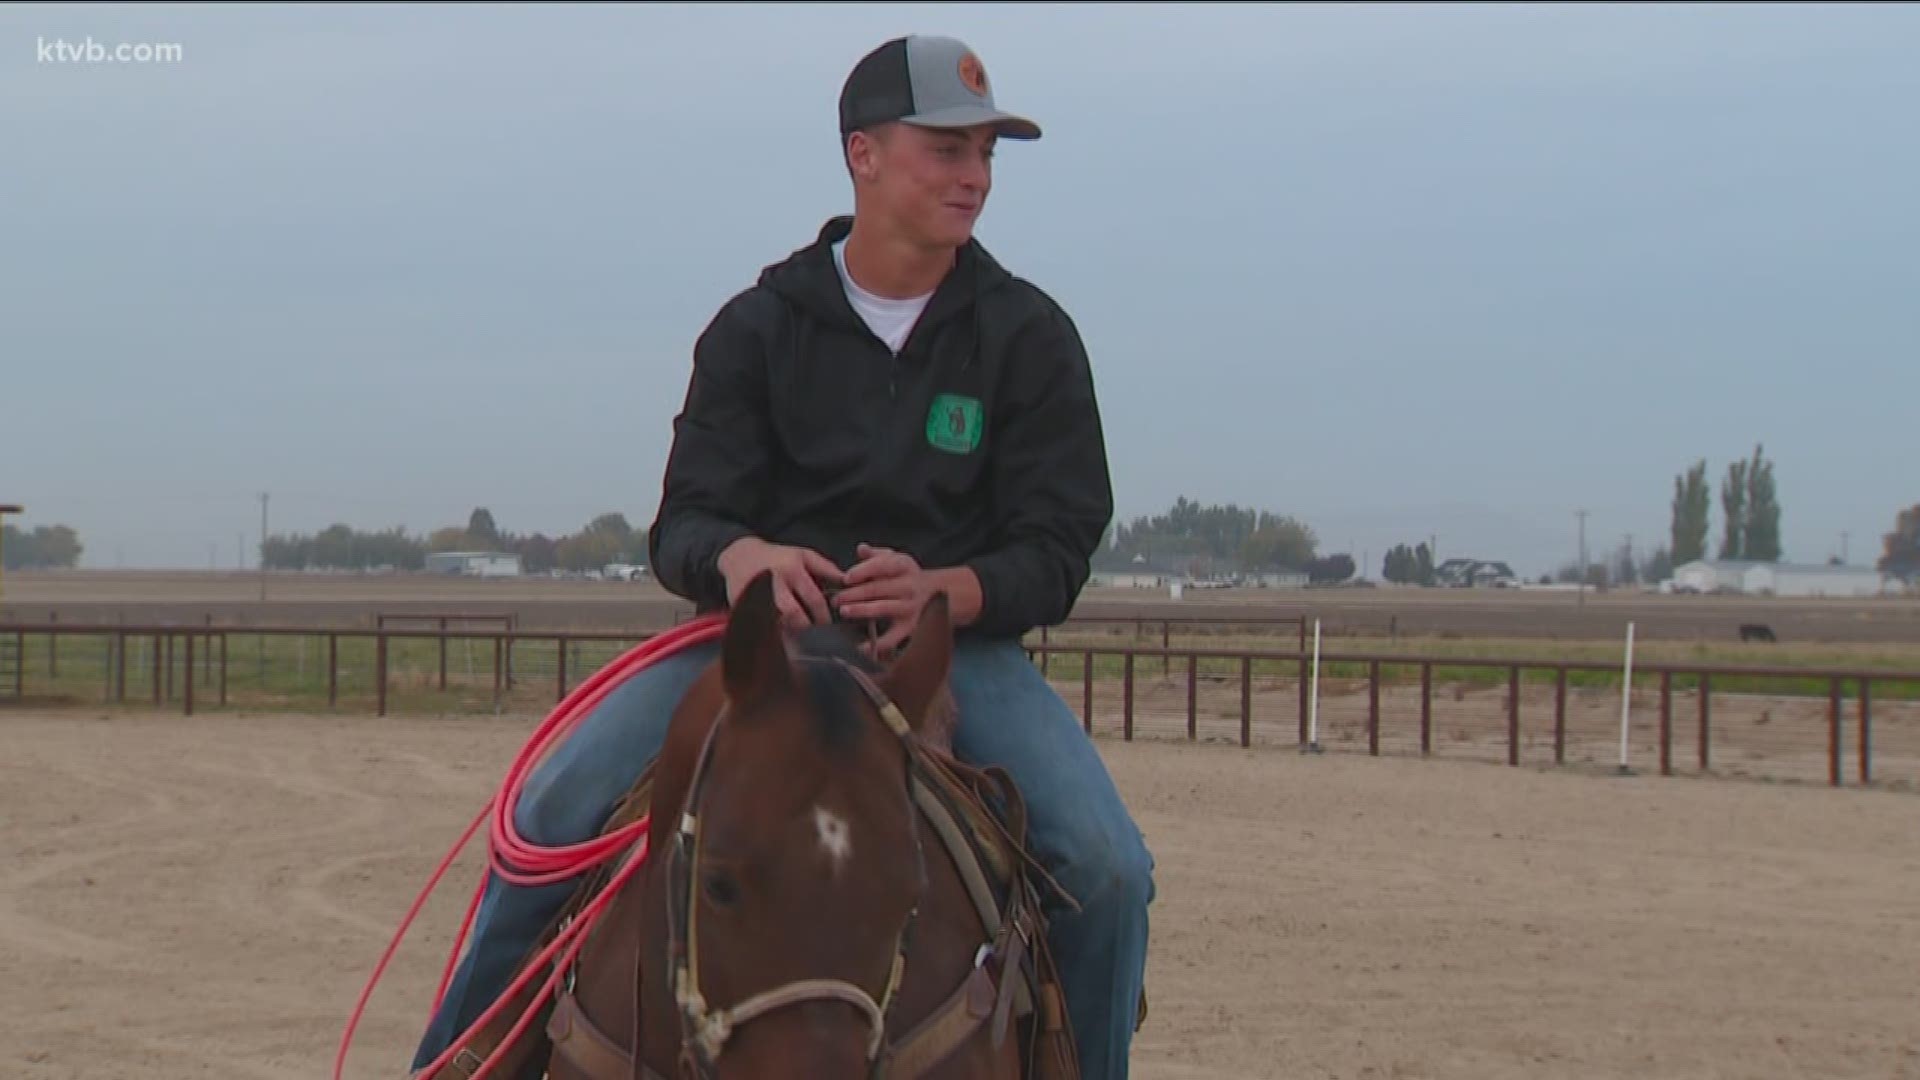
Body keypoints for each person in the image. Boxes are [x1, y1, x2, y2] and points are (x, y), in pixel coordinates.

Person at [411, 33, 1153, 1080]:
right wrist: (747, 557)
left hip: (950, 655)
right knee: (548, 816)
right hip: (756, 651)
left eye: (986, 152)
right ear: (864, 155)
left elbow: (1059, 540)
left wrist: (955, 586)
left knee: (1109, 866)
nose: (975, 175)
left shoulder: (1027, 338)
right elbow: (685, 526)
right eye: (946, 148)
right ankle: (458, 1066)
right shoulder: (759, 329)